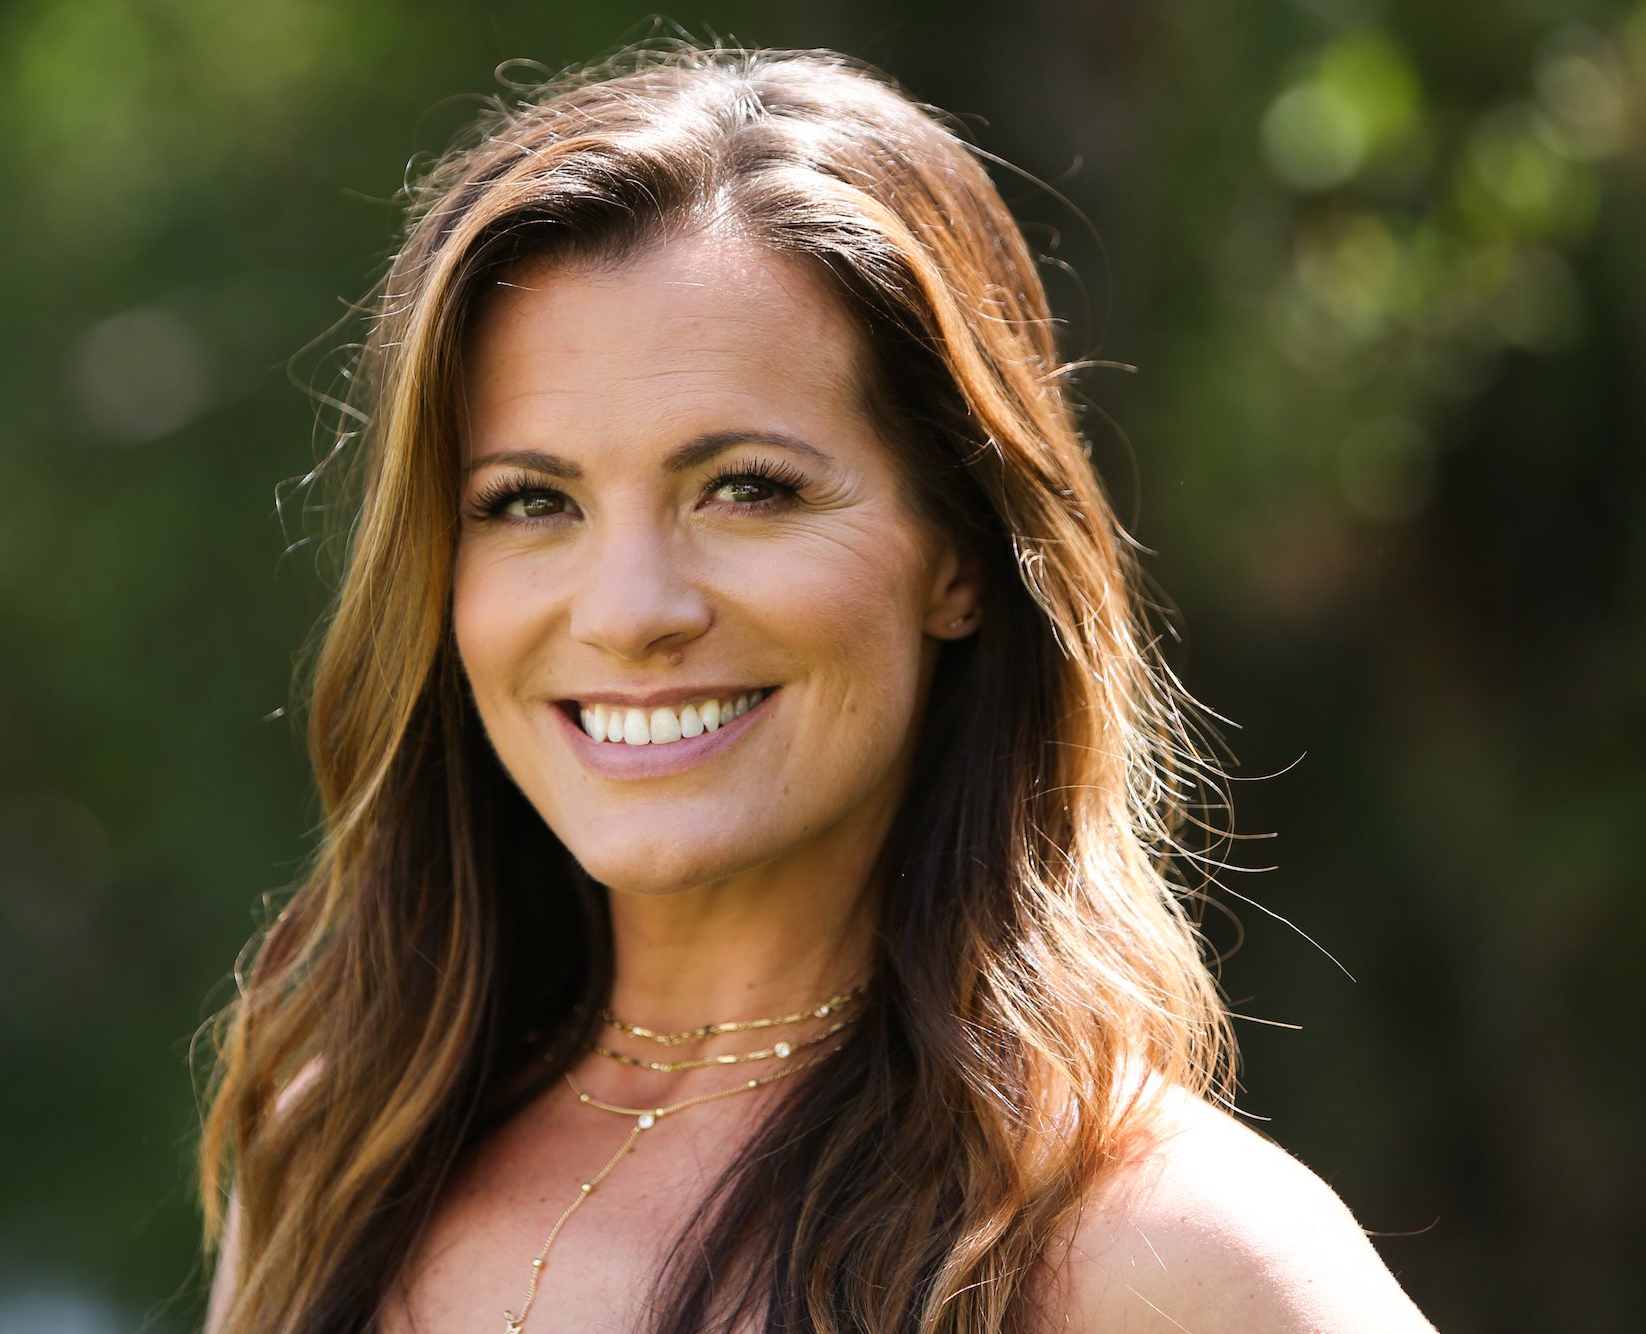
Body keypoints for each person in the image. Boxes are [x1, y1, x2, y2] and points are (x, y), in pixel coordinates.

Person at [197, 45, 1436, 1334]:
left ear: (961, 554)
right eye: (530, 501)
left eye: (747, 488)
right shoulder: (336, 1164)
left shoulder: (1160, 1255)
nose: (629, 612)